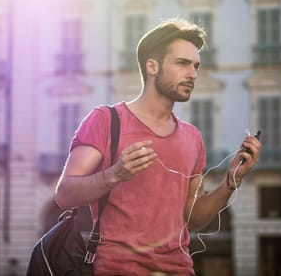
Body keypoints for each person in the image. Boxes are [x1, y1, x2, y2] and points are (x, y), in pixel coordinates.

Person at [55, 18, 261, 275]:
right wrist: (114, 174)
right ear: (152, 66)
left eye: (196, 66)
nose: (193, 74)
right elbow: (65, 194)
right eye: (183, 64)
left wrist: (232, 180)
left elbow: (195, 219)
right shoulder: (106, 120)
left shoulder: (192, 137)